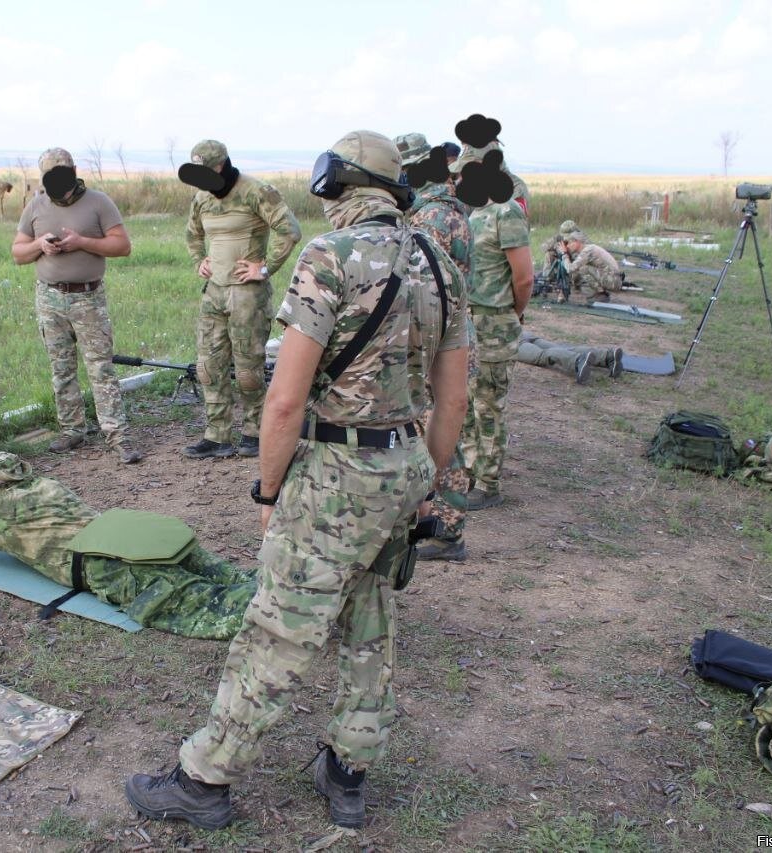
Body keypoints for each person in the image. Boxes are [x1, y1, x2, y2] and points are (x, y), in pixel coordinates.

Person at [124, 130, 469, 830]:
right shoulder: (440, 264)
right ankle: (347, 769)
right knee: (371, 617)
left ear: (337, 187)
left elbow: (284, 399)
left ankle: (204, 777)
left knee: (278, 626)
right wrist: (426, 480)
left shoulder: (329, 256)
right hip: (403, 463)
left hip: (338, 471)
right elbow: (453, 398)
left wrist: (269, 489)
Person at [0, 452, 255, 639]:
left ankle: (291, 606)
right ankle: (279, 583)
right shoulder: (47, 485)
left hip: (102, 563)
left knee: (211, 606)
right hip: (125, 531)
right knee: (219, 572)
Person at [12, 148, 142, 465]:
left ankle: (117, 436)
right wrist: (39, 246)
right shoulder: (36, 205)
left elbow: (122, 246)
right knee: (61, 369)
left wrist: (82, 242)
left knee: (100, 369)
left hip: (88, 299)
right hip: (49, 298)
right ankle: (72, 430)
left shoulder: (98, 203)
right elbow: (18, 252)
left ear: (73, 170)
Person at [178, 140, 301, 459]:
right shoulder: (201, 198)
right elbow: (193, 234)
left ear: (221, 166)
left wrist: (265, 267)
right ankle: (217, 435)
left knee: (248, 368)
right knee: (209, 365)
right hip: (214, 293)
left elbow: (289, 230)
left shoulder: (257, 191)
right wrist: (198, 261)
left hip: (247, 296)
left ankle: (255, 431)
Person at [394, 132, 473, 562]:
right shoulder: (445, 209)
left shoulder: (431, 220)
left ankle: (446, 530)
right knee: (442, 429)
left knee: (442, 433)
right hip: (448, 337)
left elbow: (427, 290)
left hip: (438, 342)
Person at [452, 140, 533, 511]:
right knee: (468, 401)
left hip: (495, 321)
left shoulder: (506, 213)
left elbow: (524, 279)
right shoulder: (473, 212)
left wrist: (512, 314)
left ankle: (489, 481)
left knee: (489, 405)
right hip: (470, 322)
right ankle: (469, 469)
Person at [518, 330, 623, 384]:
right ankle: (607, 356)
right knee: (565, 350)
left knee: (541, 355)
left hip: (508, 340)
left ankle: (577, 361)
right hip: (522, 333)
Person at [563, 230, 624, 303]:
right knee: (584, 267)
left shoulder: (588, 251)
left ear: (577, 242)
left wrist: (564, 254)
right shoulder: (590, 248)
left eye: (569, 243)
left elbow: (570, 269)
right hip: (613, 279)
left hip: (614, 281)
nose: (567, 246)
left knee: (583, 269)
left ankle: (601, 294)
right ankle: (601, 293)